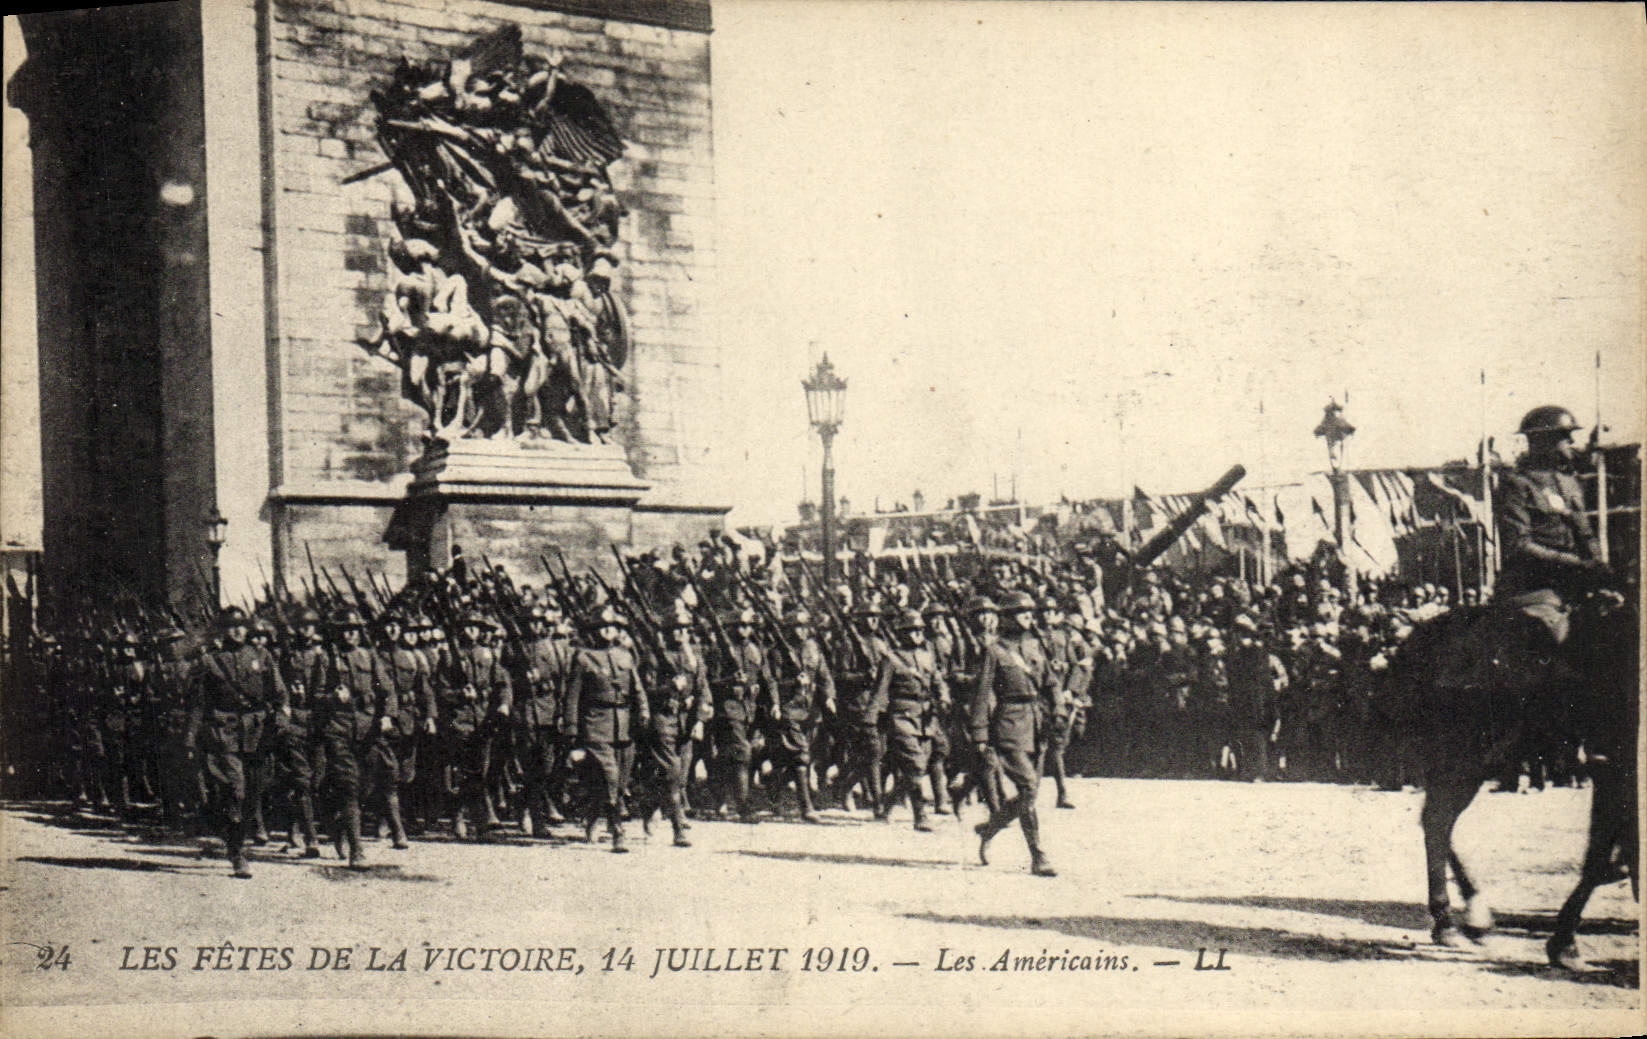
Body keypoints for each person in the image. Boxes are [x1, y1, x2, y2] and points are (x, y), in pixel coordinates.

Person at [1495, 405, 1611, 647]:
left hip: (1576, 589)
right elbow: (1519, 545)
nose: (1571, 440)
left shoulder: (1570, 483)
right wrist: (1576, 564)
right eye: (1563, 435)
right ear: (1541, 442)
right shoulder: (1517, 485)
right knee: (1555, 643)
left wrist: (1599, 566)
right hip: (1534, 593)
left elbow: (1585, 534)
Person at [187, 606, 288, 879]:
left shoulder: (261, 656)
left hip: (256, 733)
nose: (238, 631)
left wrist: (281, 716)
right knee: (236, 789)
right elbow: (198, 704)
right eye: (231, 626)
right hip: (225, 732)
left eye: (242, 626)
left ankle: (234, 837)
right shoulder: (211, 662)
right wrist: (191, 738)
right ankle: (237, 852)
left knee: (253, 793)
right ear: (223, 630)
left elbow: (279, 693)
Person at [970, 591, 1058, 877]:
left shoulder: (1036, 647)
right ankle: (1038, 855)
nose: (1029, 617)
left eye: (1030, 612)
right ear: (1007, 619)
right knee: (1029, 788)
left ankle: (991, 827)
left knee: (1028, 793)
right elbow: (981, 695)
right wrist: (980, 734)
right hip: (1008, 724)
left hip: (1036, 723)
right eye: (1022, 613)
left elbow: (1051, 682)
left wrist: (1058, 709)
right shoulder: (994, 652)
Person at [564, 605, 648, 852]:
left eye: (612, 627)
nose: (608, 631)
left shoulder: (625, 656)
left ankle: (591, 819)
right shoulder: (583, 657)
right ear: (595, 631)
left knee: (619, 783)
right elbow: (572, 697)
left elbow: (637, 688)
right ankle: (617, 831)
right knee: (610, 777)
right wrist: (572, 732)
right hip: (596, 723)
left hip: (623, 724)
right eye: (603, 627)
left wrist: (643, 712)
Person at [872, 609, 947, 832]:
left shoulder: (927, 656)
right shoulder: (891, 659)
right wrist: (872, 719)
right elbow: (880, 691)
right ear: (902, 634)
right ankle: (920, 815)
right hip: (901, 716)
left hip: (925, 718)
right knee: (915, 765)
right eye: (911, 631)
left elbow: (937, 681)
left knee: (918, 768)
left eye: (919, 630)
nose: (916, 634)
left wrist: (943, 695)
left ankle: (888, 803)